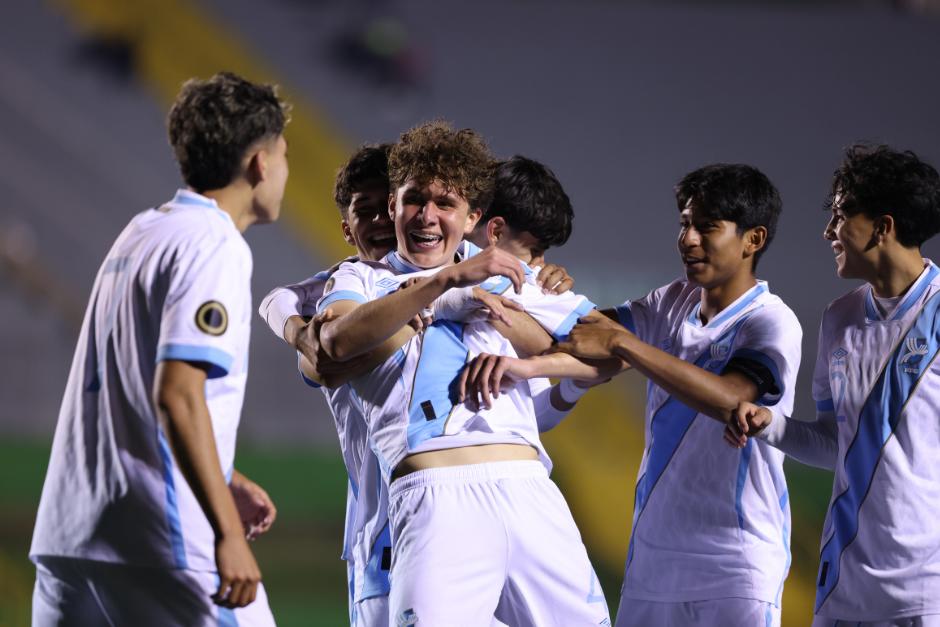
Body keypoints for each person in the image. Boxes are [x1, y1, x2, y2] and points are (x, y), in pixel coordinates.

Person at [259, 145, 587, 626]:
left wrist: (535, 279)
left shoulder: (472, 276)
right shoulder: (345, 288)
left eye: (384, 205)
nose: (377, 220)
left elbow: (572, 352)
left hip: (483, 502)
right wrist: (436, 303)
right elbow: (317, 350)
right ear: (347, 228)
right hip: (384, 530)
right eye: (363, 211)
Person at [29, 72, 289, 627]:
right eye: (284, 155)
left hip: (70, 538)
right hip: (162, 542)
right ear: (260, 163)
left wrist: (223, 474)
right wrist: (226, 532)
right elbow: (177, 394)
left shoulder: (142, 232)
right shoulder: (214, 245)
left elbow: (129, 387)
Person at [548, 164, 802, 626]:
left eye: (707, 227)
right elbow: (580, 336)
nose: (688, 239)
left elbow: (730, 400)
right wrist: (529, 287)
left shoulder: (770, 321)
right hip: (653, 563)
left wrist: (624, 345)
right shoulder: (672, 302)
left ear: (754, 239)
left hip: (736, 566)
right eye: (685, 223)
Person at [728, 144, 940, 627]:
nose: (828, 231)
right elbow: (835, 445)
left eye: (842, 214)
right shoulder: (839, 318)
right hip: (844, 582)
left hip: (927, 589)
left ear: (883, 227)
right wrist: (770, 425)